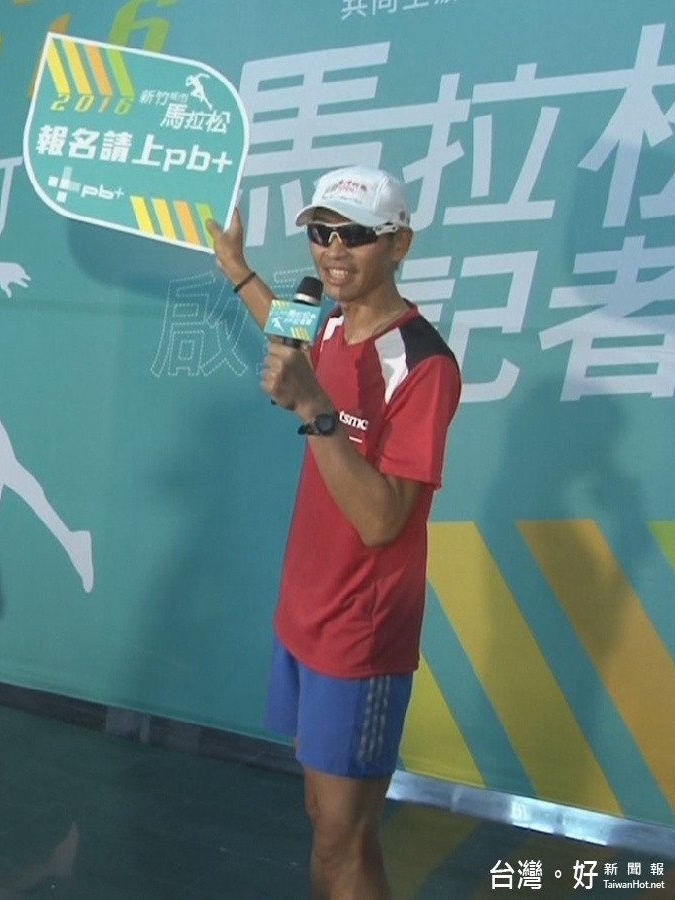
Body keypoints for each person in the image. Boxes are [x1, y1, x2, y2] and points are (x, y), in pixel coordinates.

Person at [208, 166, 461, 899]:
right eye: (321, 233)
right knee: (323, 817)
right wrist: (236, 269)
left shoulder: (422, 365)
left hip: (360, 631)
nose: (332, 250)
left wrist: (315, 410)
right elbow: (283, 331)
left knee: (343, 840)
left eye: (354, 234)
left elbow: (383, 521)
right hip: (304, 614)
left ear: (399, 243)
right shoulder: (321, 319)